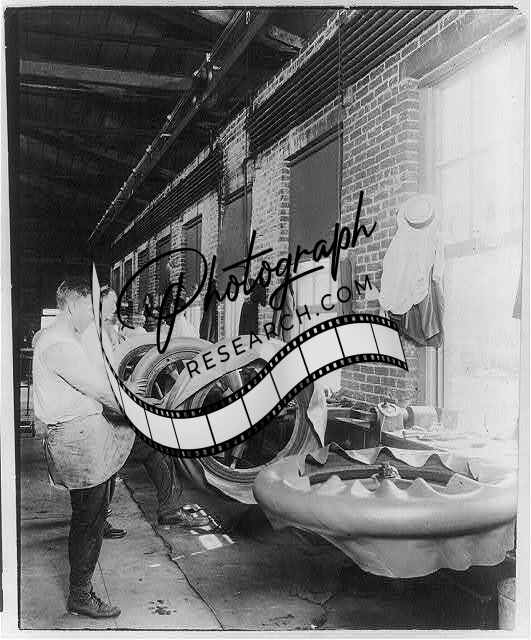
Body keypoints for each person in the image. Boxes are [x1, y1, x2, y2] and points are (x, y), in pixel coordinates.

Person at [33, 278, 136, 619]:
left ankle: (81, 590)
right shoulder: (60, 345)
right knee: (89, 520)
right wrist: (135, 412)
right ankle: (80, 594)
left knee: (89, 514)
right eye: (89, 309)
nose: (93, 316)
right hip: (77, 441)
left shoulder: (57, 337)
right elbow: (99, 390)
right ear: (74, 306)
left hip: (82, 436)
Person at [81, 286, 209, 529]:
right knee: (155, 447)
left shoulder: (103, 333)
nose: (117, 307)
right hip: (104, 416)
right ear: (99, 306)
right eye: (112, 303)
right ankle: (165, 509)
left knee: (154, 448)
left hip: (108, 411)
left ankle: (107, 516)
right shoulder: (94, 337)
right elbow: (102, 386)